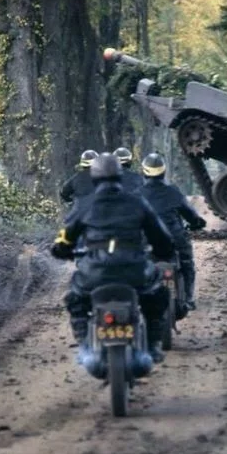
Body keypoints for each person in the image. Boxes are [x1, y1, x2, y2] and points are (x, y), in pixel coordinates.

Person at [51, 153, 175, 378]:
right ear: (120, 175)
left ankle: (84, 345)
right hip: (134, 272)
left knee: (75, 298)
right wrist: (164, 251)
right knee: (158, 295)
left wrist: (61, 250)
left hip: (93, 274)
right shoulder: (137, 202)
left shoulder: (84, 204)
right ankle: (154, 345)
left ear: (93, 177)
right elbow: (162, 237)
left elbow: (64, 238)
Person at [140, 152, 207, 311]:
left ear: (144, 172)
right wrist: (197, 223)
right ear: (163, 171)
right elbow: (190, 213)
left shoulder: (137, 193)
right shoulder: (173, 191)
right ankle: (189, 298)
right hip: (175, 238)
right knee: (186, 262)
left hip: (146, 240)